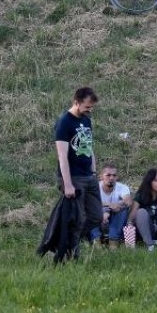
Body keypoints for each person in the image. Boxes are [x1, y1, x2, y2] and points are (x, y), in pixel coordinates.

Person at [54, 87, 103, 256]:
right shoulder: (64, 122)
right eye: (87, 107)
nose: (90, 110)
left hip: (89, 176)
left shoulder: (86, 120)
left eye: (91, 107)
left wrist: (94, 172)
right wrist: (67, 184)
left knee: (97, 216)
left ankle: (69, 241)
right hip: (74, 177)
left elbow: (90, 147)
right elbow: (62, 156)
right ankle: (71, 251)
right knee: (78, 217)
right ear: (76, 102)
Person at [89, 163, 131, 249]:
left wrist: (117, 206)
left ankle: (113, 241)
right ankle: (96, 241)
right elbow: (90, 203)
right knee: (88, 209)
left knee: (123, 208)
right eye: (108, 175)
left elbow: (128, 201)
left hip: (115, 219)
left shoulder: (122, 187)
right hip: (98, 219)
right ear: (101, 177)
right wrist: (106, 209)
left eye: (114, 175)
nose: (111, 178)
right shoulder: (95, 187)